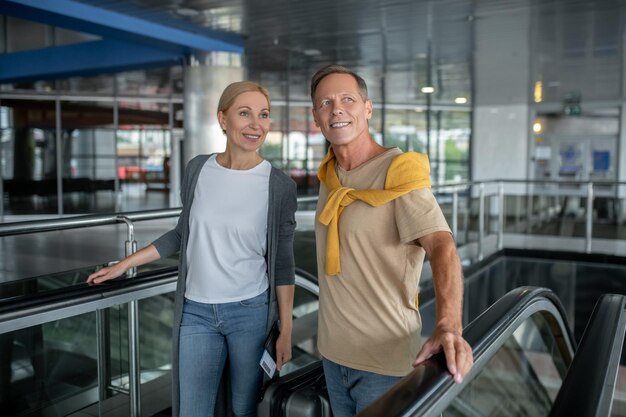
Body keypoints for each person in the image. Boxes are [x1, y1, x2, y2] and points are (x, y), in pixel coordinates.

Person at [87, 81, 297, 417]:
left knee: (244, 410)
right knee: (191, 411)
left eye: (264, 115)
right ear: (223, 119)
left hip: (250, 312)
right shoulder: (198, 169)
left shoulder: (279, 185)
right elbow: (181, 234)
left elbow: (284, 264)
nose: (256, 124)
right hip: (196, 312)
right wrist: (124, 264)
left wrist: (286, 330)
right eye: (245, 113)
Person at [310, 65, 473, 417]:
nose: (336, 109)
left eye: (347, 99)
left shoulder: (397, 170)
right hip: (332, 357)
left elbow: (441, 245)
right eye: (325, 103)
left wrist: (449, 325)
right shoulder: (329, 174)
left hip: (384, 365)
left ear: (367, 109)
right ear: (316, 118)